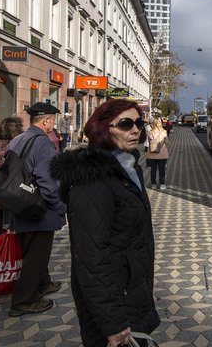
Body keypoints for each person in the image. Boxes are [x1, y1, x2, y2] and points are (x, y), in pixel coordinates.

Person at [49, 99, 159, 347]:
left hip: (130, 290)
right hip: (114, 303)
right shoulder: (94, 181)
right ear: (103, 128)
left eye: (139, 123)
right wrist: (113, 322)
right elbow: (90, 260)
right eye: (125, 124)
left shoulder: (127, 167)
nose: (135, 130)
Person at [5, 102, 66, 317]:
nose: (53, 123)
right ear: (46, 120)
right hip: (38, 208)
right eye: (52, 119)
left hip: (18, 203)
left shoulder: (18, 139)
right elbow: (48, 182)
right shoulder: (43, 143)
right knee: (36, 255)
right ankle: (23, 301)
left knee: (32, 250)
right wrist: (60, 207)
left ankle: (43, 283)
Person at [147, 118, 169, 190]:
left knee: (153, 170)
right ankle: (162, 184)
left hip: (152, 154)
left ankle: (153, 184)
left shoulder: (150, 132)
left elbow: (149, 142)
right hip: (162, 154)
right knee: (162, 170)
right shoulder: (164, 132)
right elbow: (167, 143)